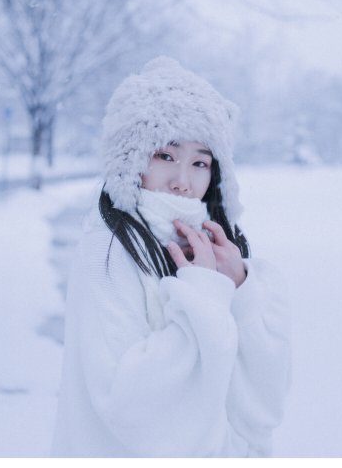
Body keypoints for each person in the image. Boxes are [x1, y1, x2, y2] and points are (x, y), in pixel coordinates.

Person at [51, 56, 291, 457]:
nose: (183, 181)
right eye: (166, 155)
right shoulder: (109, 248)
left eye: (200, 162)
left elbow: (262, 408)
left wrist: (241, 290)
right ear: (132, 159)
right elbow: (128, 404)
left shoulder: (211, 249)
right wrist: (204, 299)